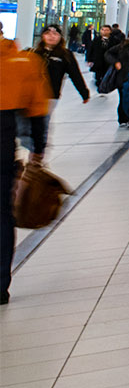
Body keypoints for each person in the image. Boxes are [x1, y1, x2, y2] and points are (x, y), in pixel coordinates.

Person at [0, 34, 52, 303]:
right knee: (2, 217)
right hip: (3, 144)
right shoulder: (24, 61)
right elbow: (37, 111)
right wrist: (37, 150)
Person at [31, 25, 90, 155]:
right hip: (31, 96)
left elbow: (75, 74)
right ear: (42, 36)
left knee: (43, 124)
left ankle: (37, 154)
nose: (52, 36)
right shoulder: (35, 53)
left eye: (55, 34)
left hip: (50, 96)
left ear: (60, 37)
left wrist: (84, 92)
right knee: (28, 125)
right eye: (48, 33)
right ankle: (34, 148)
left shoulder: (65, 55)